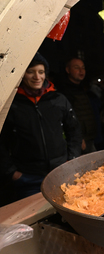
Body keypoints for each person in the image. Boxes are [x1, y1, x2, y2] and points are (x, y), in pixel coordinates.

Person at [0, 53, 82, 202]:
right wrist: (11, 172)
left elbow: (74, 131)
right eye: (30, 71)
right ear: (22, 74)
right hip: (28, 177)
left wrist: (72, 160)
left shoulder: (58, 99)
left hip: (61, 173)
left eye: (41, 72)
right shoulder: (12, 104)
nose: (37, 77)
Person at [57, 57, 97, 154]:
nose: (81, 71)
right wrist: (78, 138)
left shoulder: (81, 89)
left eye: (83, 67)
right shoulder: (64, 91)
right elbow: (66, 118)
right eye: (76, 67)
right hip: (78, 140)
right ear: (68, 70)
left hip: (89, 137)